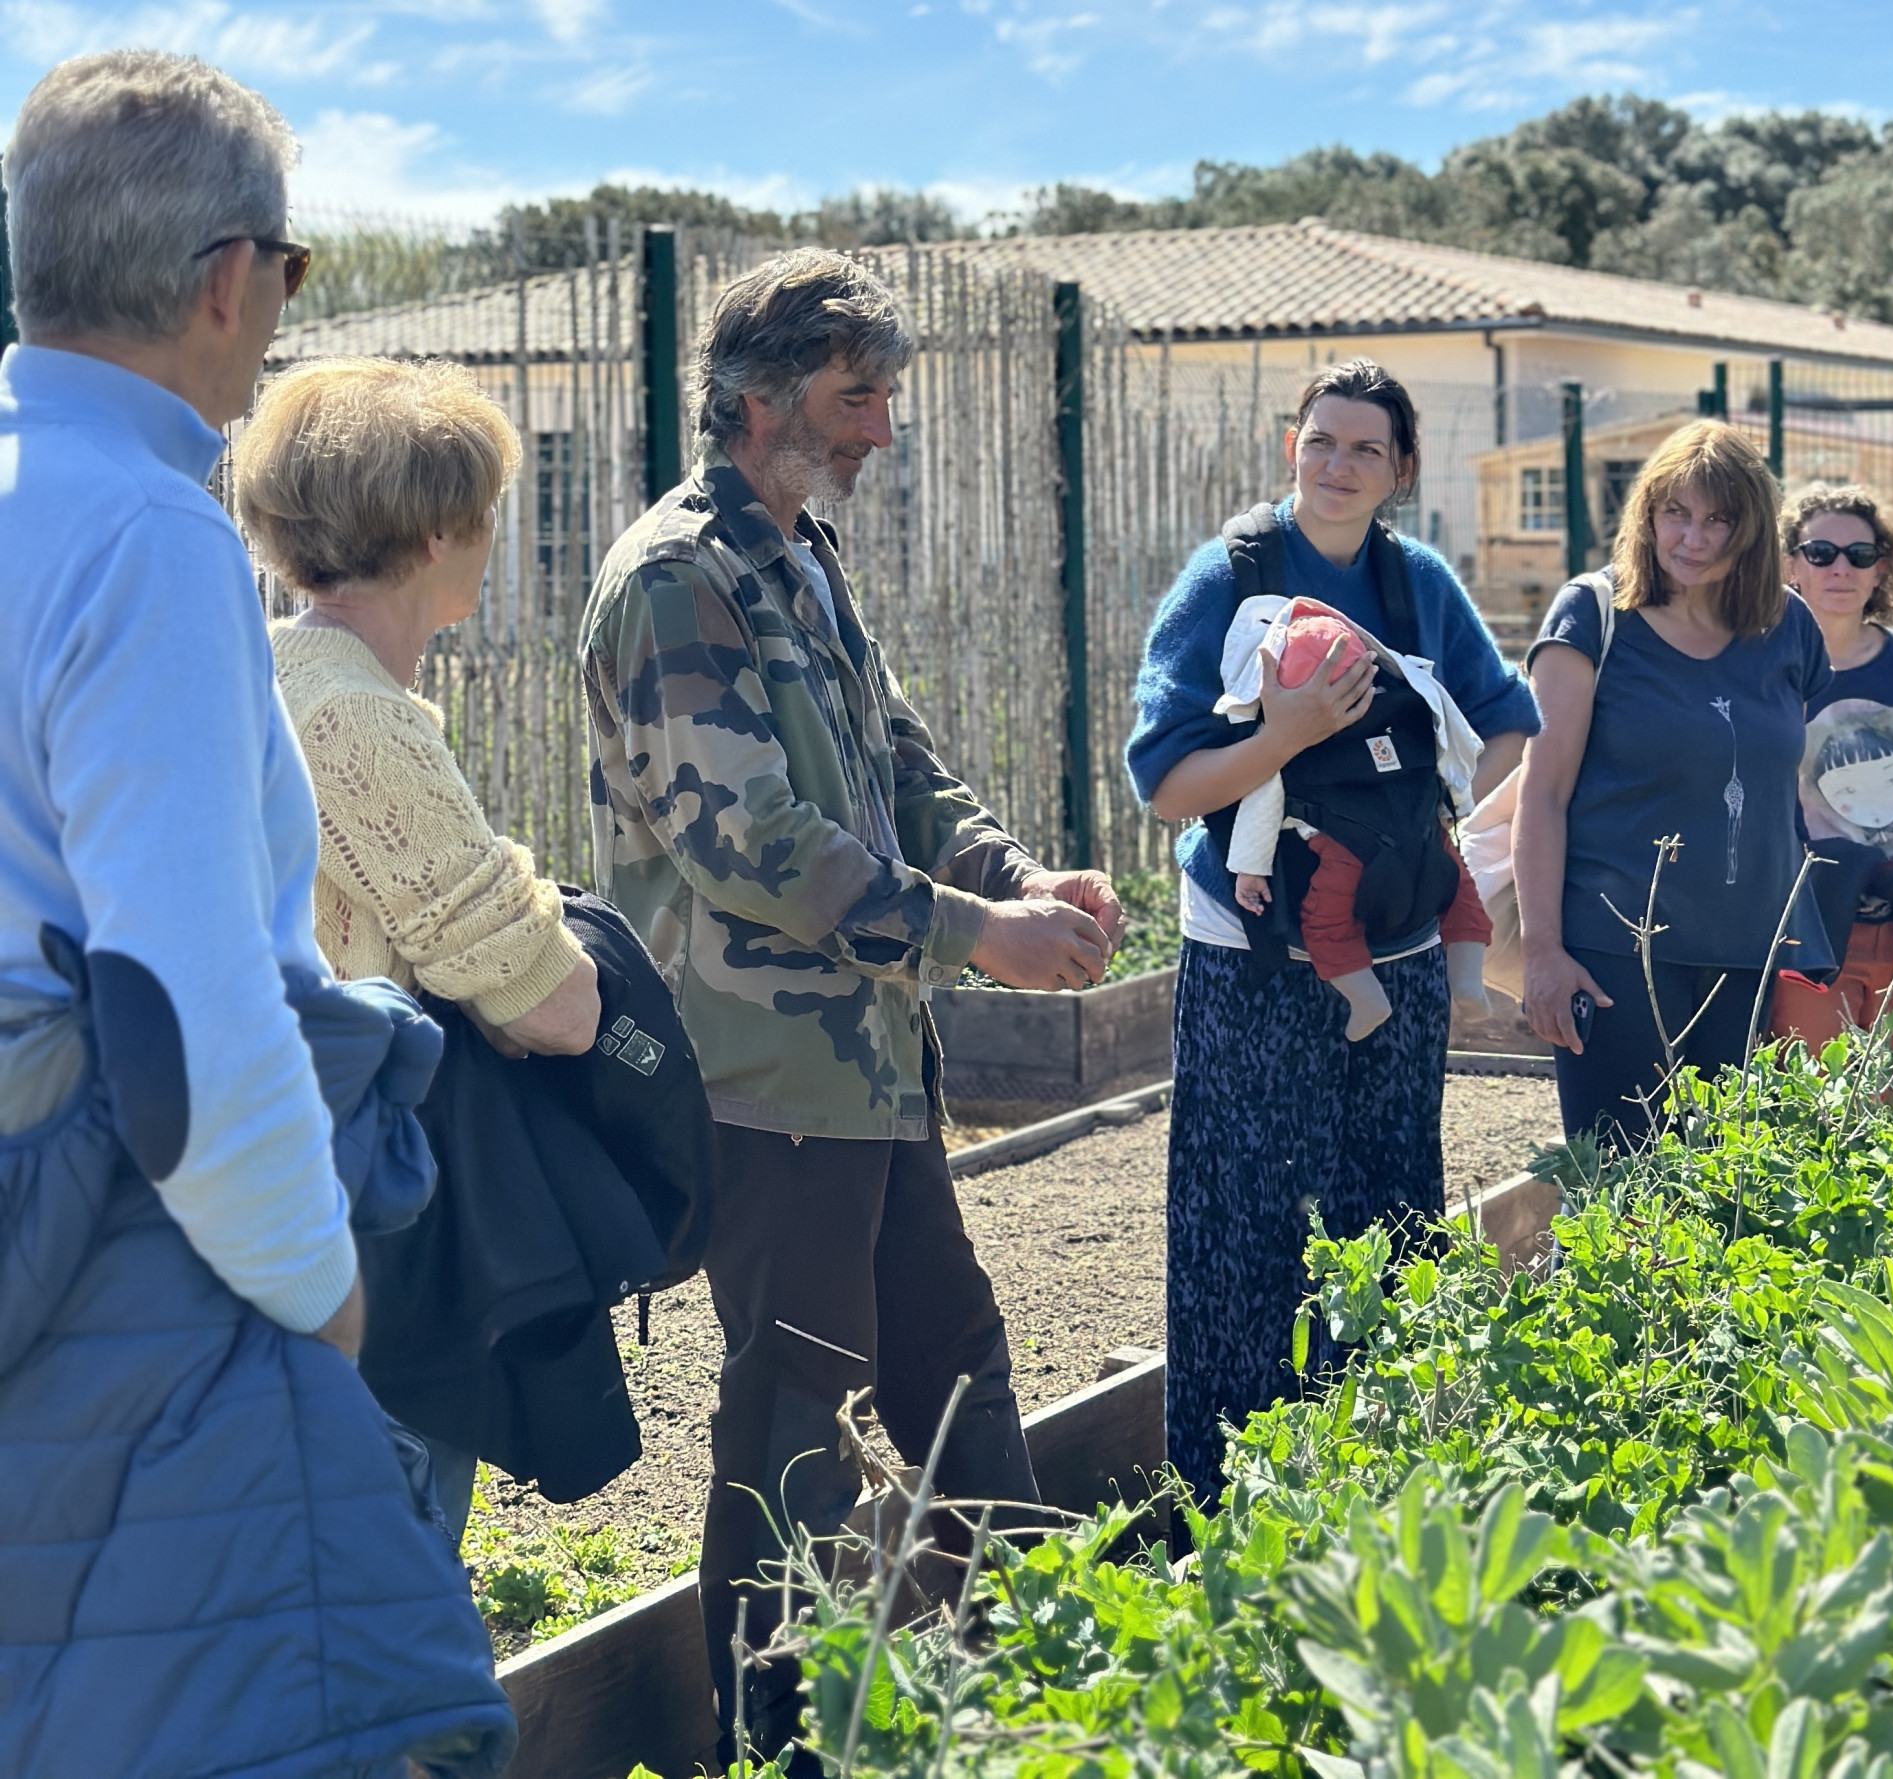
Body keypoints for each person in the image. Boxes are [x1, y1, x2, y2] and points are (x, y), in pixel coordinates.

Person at [0, 51, 512, 1777]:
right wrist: (318, 1290)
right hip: (135, 1263)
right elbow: (178, 1004)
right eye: (291, 272)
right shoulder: (147, 536)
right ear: (231, 277)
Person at [580, 248, 1123, 1766]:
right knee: (792, 1425)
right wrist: (977, 934)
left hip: (870, 1066)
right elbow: (754, 844)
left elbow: (898, 763)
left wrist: (1017, 876)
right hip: (760, 1078)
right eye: (854, 397)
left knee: (958, 1369)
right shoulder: (676, 580)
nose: (883, 427)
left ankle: (1032, 1682)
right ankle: (776, 1739)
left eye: (884, 394)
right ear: (757, 400)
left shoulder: (797, 552)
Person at [1127, 357, 1538, 1503]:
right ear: (1291, 449)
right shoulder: (1230, 578)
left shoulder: (1417, 584)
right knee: (1239, 1228)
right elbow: (1166, 785)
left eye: (1366, 448)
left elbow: (1509, 725)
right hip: (1251, 953)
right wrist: (1288, 732)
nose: (1339, 465)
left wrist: (1445, 839)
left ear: (1401, 469)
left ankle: (1375, 1493)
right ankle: (1219, 1508)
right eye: (1322, 441)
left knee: (1390, 1219)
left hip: (1399, 957)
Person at [235, 355, 604, 1539]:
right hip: (362, 1228)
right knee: (385, 1571)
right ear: (442, 532)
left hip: (266, 1197)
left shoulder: (267, 669)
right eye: (486, 511)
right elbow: (558, 1008)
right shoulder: (356, 720)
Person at [1515, 422, 1831, 1145]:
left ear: (1753, 529)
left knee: (1729, 1189)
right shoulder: (1593, 615)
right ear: (1647, 514)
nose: (1693, 537)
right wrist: (1543, 952)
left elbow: (1777, 782)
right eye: (1676, 513)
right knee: (1621, 1184)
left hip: (1751, 957)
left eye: (1719, 519)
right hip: (1614, 953)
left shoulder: (1790, 627)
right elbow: (1543, 794)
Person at [1220, 595, 1495, 1040]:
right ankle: (1468, 981)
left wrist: (1250, 872)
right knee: (1461, 895)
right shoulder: (1406, 707)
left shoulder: (1289, 740)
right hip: (1427, 837)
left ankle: (1367, 1000)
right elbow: (1450, 755)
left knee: (1326, 927)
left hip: (1347, 854)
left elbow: (1261, 807)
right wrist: (1454, 811)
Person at [1767, 485, 1893, 1049]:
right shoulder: (1764, 665)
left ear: (1881, 569)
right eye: (1820, 552)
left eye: (1859, 554)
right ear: (1790, 565)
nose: (1840, 569)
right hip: (1806, 926)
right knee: (1807, 1089)